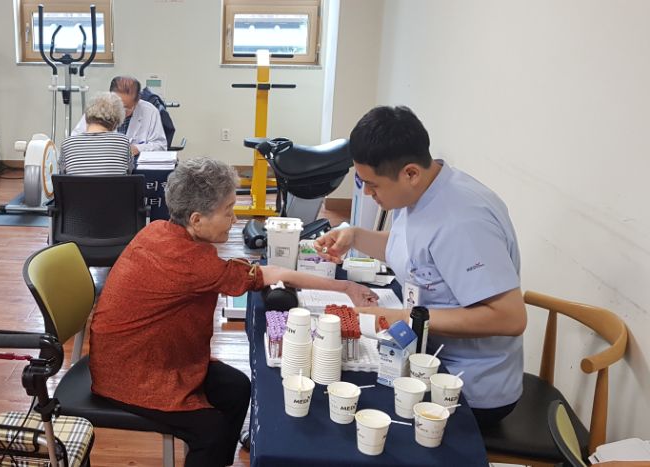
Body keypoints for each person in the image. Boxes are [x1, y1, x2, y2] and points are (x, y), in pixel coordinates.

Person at [89, 157, 378, 467]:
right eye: (228, 211)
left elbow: (263, 273)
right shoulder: (194, 263)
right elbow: (270, 273)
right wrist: (344, 287)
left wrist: (345, 287)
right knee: (210, 431)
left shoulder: (160, 229)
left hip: (140, 354)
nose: (234, 219)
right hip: (128, 373)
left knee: (237, 388)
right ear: (197, 220)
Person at [315, 105, 526, 428]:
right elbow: (416, 254)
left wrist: (402, 318)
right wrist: (354, 236)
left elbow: (510, 317)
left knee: (351, 416)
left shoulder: (463, 222)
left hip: (466, 386)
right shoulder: (422, 190)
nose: (368, 193)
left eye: (373, 185)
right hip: (425, 354)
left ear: (410, 173)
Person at [73, 76, 167, 156]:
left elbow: (161, 146)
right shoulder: (97, 109)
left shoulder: (150, 111)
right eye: (116, 105)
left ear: (137, 100)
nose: (120, 112)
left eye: (125, 108)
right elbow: (75, 140)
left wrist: (138, 148)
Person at [59, 92, 133, 176]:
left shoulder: (67, 144)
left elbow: (62, 175)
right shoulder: (123, 142)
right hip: (113, 185)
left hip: (77, 185)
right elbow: (129, 172)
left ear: (86, 117)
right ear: (115, 123)